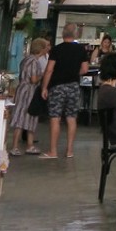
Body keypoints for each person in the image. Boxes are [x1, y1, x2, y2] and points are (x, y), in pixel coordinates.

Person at [40, 22, 89, 158]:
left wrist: (44, 87)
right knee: (71, 118)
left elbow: (49, 70)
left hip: (57, 87)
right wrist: (73, 73)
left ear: (62, 34)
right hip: (73, 86)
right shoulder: (81, 49)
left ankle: (53, 151)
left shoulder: (56, 49)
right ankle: (69, 151)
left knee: (55, 118)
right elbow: (85, 69)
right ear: (75, 35)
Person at [8, 37, 50, 155]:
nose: (48, 48)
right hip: (28, 92)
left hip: (24, 90)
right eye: (46, 46)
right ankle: (17, 146)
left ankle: (28, 145)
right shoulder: (33, 61)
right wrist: (43, 75)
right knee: (23, 116)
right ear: (41, 48)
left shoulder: (26, 59)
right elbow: (33, 79)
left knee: (27, 116)